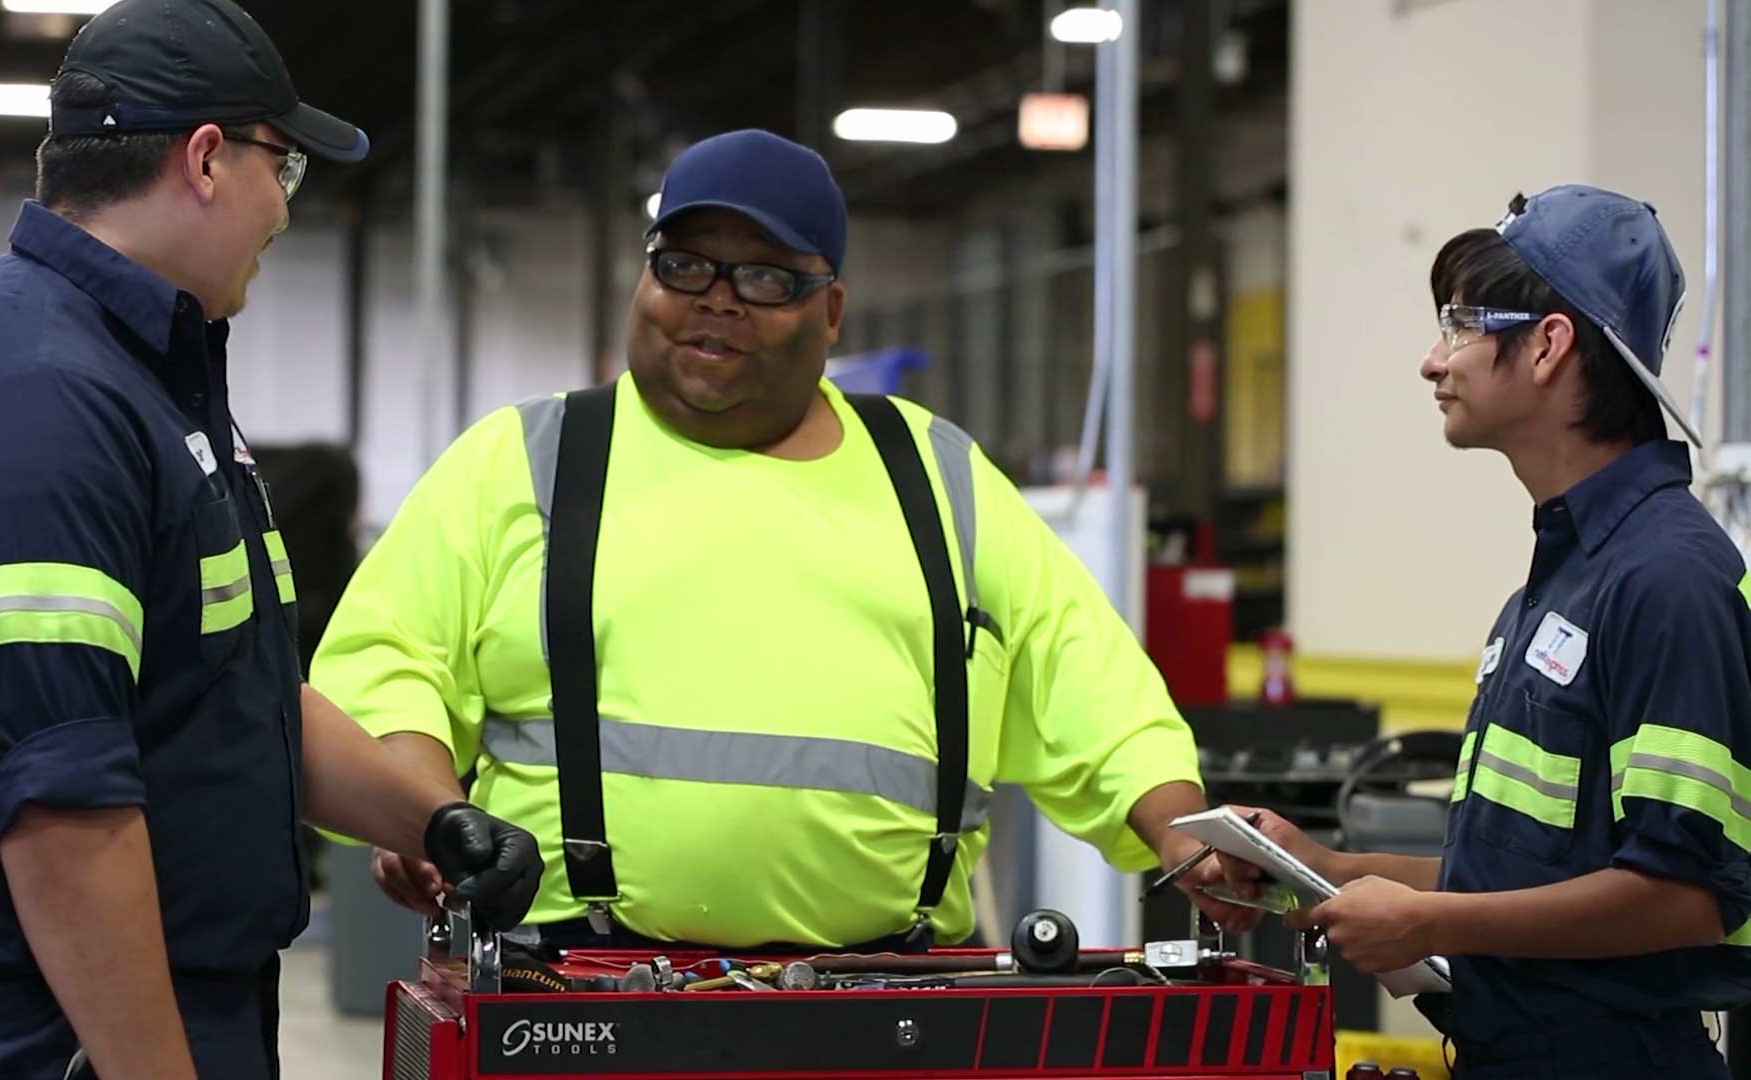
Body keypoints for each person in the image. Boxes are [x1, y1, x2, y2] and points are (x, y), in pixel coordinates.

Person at [309, 127, 1239, 956]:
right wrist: (430, 817)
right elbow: (391, 663)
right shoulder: (527, 460)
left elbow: (1086, 679)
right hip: (578, 998)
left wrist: (1183, 829)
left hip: (884, 1010)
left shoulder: (936, 479)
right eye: (684, 265)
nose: (717, 300)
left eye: (764, 277)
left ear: (830, 312)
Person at [0, 2, 539, 1077]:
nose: (286, 212)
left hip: (134, 1006)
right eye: (285, 170)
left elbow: (233, 693)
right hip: (48, 1029)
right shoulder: (43, 400)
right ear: (208, 160)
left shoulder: (138, 375)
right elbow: (64, 816)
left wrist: (434, 820)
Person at [1205, 185, 1751, 1078]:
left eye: (1460, 325)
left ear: (1547, 345)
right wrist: (1320, 866)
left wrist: (1429, 923)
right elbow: (1512, 881)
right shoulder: (1561, 581)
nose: (1432, 360)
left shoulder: (1665, 579)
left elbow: (1686, 898)